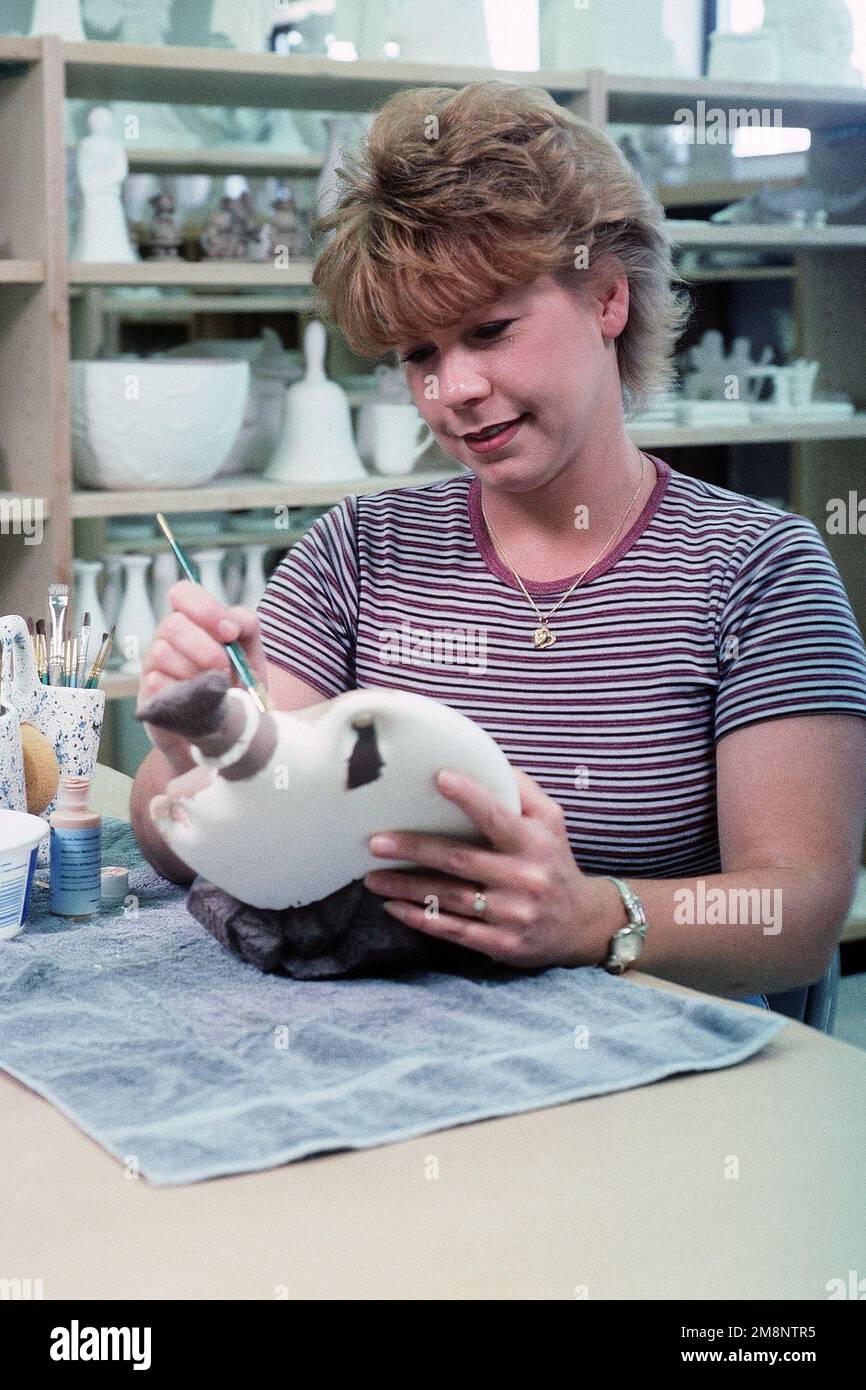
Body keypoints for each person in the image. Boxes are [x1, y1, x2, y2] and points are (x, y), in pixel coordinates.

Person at [130, 81, 866, 1006]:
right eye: (418, 355)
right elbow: (194, 838)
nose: (454, 389)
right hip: (390, 1051)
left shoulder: (760, 572)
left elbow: (797, 913)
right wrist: (195, 755)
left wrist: (595, 920)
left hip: (659, 1079)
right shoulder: (355, 552)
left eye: (490, 331)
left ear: (608, 299)